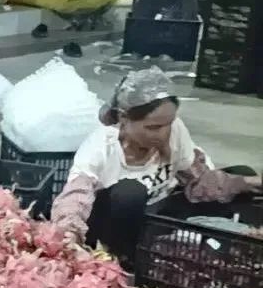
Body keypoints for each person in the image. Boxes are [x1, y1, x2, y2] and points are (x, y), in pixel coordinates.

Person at [51, 67, 261, 265]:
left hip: (161, 215)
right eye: (153, 127)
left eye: (168, 124)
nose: (163, 133)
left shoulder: (175, 130)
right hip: (117, 222)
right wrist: (69, 236)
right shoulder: (101, 147)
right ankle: (125, 260)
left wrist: (245, 183)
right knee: (130, 191)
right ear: (124, 119)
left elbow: (197, 179)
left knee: (242, 175)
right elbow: (75, 197)